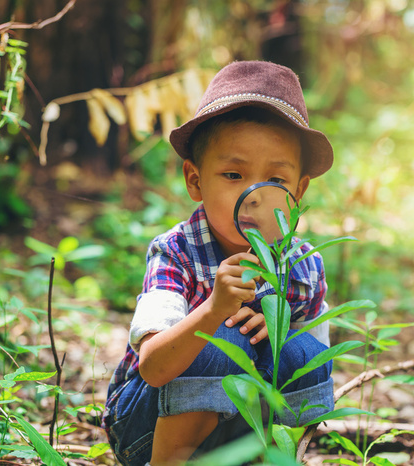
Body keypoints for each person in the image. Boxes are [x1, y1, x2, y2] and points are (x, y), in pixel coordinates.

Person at [103, 61, 336, 466]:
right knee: (224, 342)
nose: (256, 196)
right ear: (195, 181)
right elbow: (154, 367)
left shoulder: (305, 267)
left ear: (299, 191)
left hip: (239, 437)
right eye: (233, 174)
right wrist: (212, 310)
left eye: (276, 181)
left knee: (300, 353)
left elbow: (315, 374)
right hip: (146, 430)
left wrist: (278, 334)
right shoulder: (176, 252)